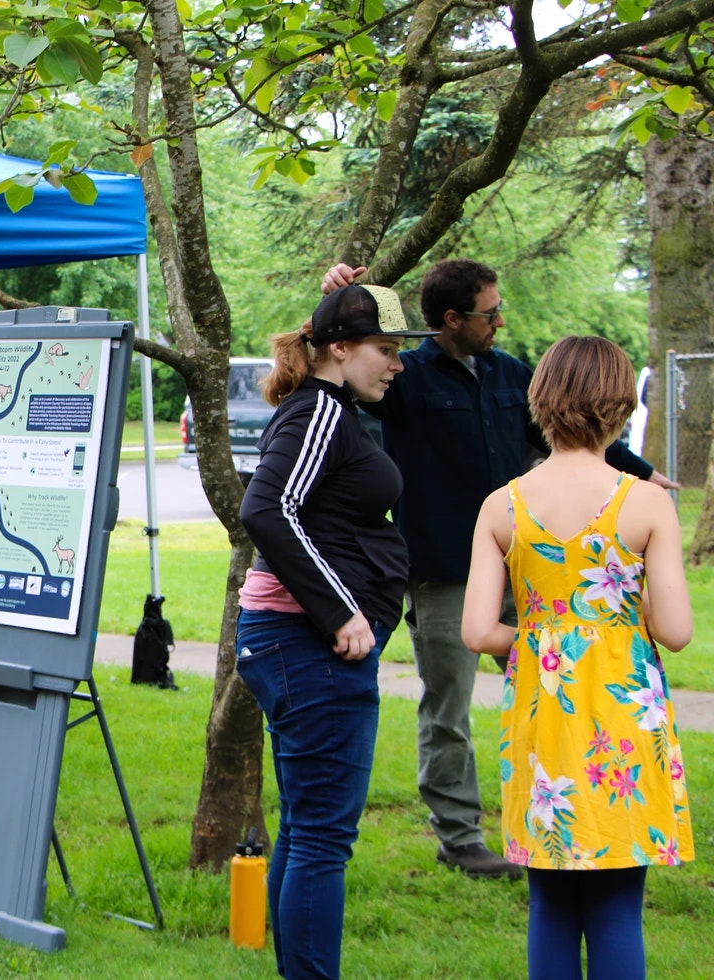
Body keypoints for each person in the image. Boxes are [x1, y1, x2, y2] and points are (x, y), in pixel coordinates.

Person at [322, 260, 674, 879]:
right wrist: (342, 298)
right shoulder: (407, 380)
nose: (500, 320)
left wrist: (640, 473)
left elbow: (575, 428)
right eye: (489, 312)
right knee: (449, 709)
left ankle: (580, 820)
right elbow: (339, 371)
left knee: (575, 691)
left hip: (531, 569)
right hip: (446, 572)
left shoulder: (510, 373)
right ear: (452, 319)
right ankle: (459, 837)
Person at [462, 336, 693, 979]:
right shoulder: (645, 503)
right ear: (619, 406)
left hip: (544, 720)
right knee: (618, 905)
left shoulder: (501, 506)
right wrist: (610, 628)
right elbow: (674, 630)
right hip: (625, 717)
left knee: (552, 902)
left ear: (540, 401)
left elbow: (479, 630)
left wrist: (542, 641)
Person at [236, 284, 435, 978]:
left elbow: (308, 510)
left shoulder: (329, 406)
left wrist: (349, 285)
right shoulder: (318, 410)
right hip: (309, 646)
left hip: (298, 645)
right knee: (322, 839)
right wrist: (340, 611)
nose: (398, 364)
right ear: (341, 349)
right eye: (387, 350)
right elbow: (268, 510)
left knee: (306, 829)